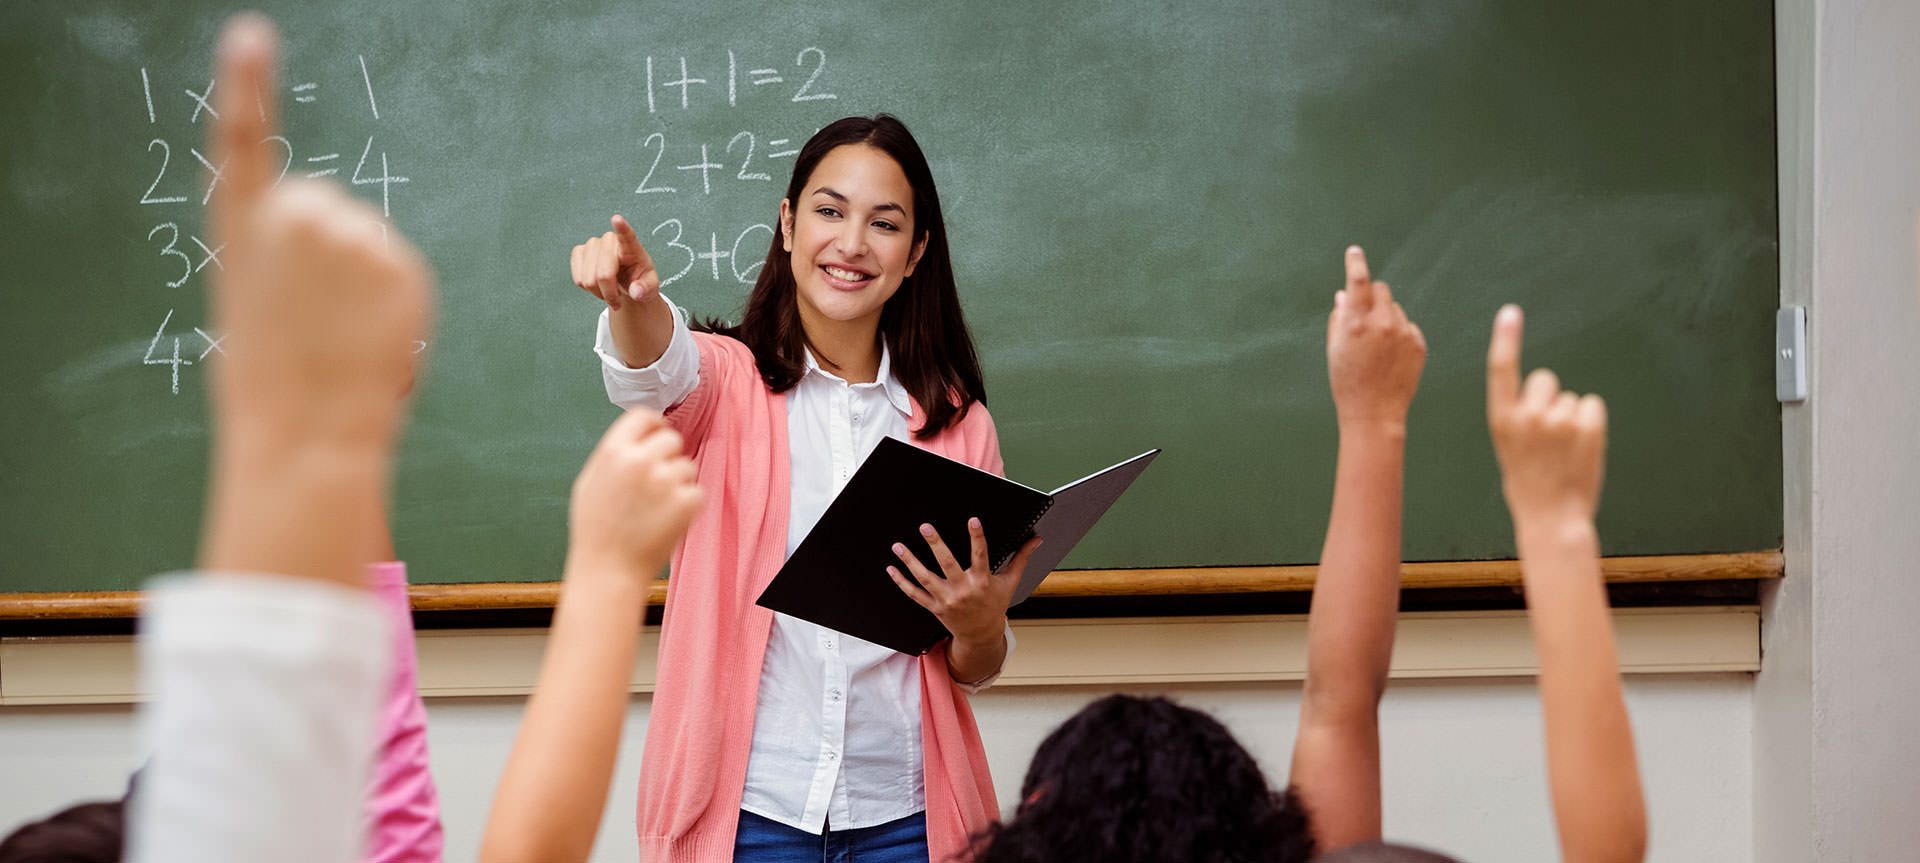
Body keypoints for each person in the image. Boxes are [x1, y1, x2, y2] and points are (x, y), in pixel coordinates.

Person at [570, 114, 1036, 861]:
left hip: (908, 821)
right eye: (828, 211)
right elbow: (651, 369)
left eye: (883, 224)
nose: (851, 243)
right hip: (753, 816)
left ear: (916, 253)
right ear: (787, 224)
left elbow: (973, 662)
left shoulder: (956, 424)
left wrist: (981, 626)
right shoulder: (723, 382)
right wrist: (632, 304)